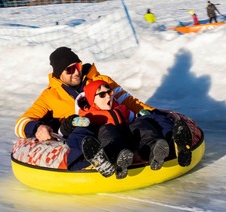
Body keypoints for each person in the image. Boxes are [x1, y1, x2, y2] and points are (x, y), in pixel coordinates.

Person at [14, 46, 193, 176]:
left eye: (77, 66)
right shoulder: (50, 96)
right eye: (69, 70)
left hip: (117, 122)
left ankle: (173, 144)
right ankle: (98, 159)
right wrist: (36, 128)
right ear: (58, 73)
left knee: (148, 121)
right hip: (88, 129)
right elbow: (22, 122)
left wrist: (153, 114)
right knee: (85, 134)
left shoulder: (101, 81)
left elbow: (129, 102)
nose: (76, 72)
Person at [77, 80, 170, 179]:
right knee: (106, 130)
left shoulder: (120, 108)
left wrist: (142, 116)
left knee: (139, 123)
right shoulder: (89, 116)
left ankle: (152, 149)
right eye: (102, 95)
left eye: (110, 92)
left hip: (129, 141)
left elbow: (134, 118)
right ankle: (119, 160)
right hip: (112, 146)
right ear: (92, 100)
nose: (108, 96)